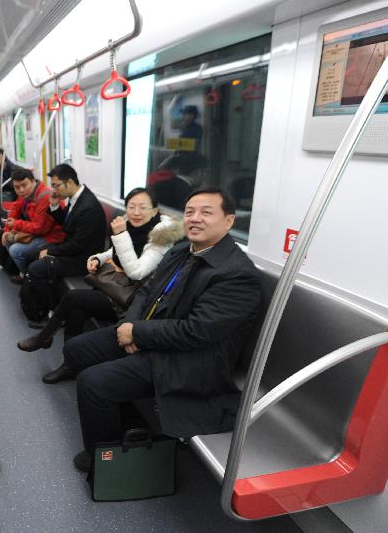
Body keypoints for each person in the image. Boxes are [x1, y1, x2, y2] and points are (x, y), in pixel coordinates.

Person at [63, 188, 261, 473]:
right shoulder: (182, 250)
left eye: (206, 212)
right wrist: (127, 327)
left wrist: (139, 334)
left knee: (93, 383)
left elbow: (197, 331)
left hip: (191, 359)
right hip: (153, 334)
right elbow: (145, 291)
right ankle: (128, 418)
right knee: (76, 350)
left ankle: (104, 458)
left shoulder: (236, 275)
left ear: (229, 221)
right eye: (190, 212)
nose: (195, 219)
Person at [17, 188, 185, 384]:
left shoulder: (162, 238)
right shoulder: (131, 225)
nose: (136, 212)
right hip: (116, 288)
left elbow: (137, 272)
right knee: (76, 311)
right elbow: (113, 251)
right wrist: (97, 257)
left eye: (143, 208)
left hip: (133, 300)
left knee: (73, 298)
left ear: (155, 211)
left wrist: (121, 235)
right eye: (132, 207)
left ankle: (45, 337)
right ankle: (69, 365)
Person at [23, 163, 107, 322]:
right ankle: (42, 299)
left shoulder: (88, 207)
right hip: (74, 249)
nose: (54, 190)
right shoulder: (76, 198)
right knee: (33, 254)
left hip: (84, 259)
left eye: (56, 185)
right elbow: (68, 225)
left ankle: (52, 311)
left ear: (69, 182)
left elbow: (78, 245)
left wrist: (52, 251)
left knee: (36, 268)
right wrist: (54, 206)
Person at [0, 168, 64, 282]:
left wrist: (16, 224)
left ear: (33, 181)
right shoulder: (26, 194)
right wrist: (6, 230)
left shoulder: (44, 196)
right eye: (17, 187)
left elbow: (40, 228)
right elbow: (15, 209)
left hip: (52, 236)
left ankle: (28, 276)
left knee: (16, 250)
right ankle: (26, 271)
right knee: (7, 239)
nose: (21, 190)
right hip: (38, 232)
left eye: (24, 185)